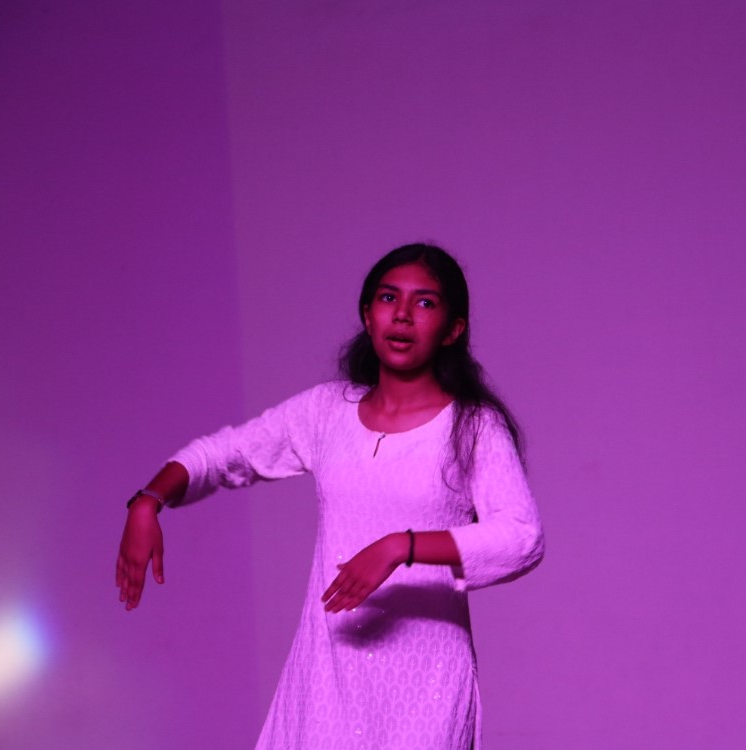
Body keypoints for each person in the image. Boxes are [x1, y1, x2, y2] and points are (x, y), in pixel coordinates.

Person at [115, 243, 545, 749]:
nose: (402, 315)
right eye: (388, 297)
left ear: (453, 329)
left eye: (425, 302)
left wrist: (401, 546)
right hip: (326, 677)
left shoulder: (473, 427)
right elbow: (224, 453)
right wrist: (148, 500)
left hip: (426, 683)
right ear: (367, 314)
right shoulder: (326, 413)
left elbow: (521, 537)